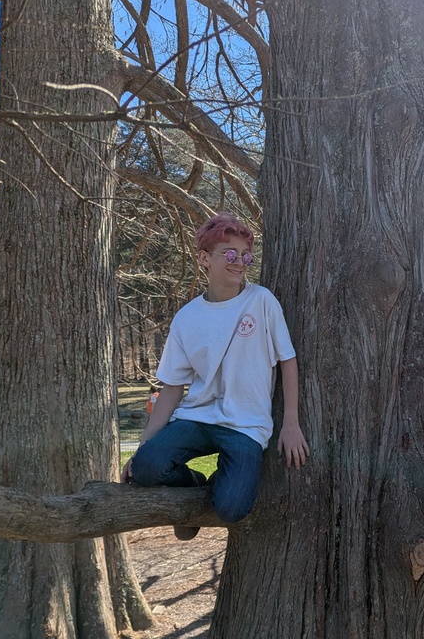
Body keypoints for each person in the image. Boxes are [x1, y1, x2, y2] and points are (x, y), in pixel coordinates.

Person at [123, 212, 309, 540]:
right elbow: (171, 388)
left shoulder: (262, 301)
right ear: (205, 258)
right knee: (146, 469)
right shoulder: (187, 318)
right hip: (196, 419)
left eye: (246, 256)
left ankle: (222, 485)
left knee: (232, 508)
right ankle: (193, 483)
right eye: (231, 254)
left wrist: (291, 423)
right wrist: (142, 449)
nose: (240, 263)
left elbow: (288, 360)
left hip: (246, 426)